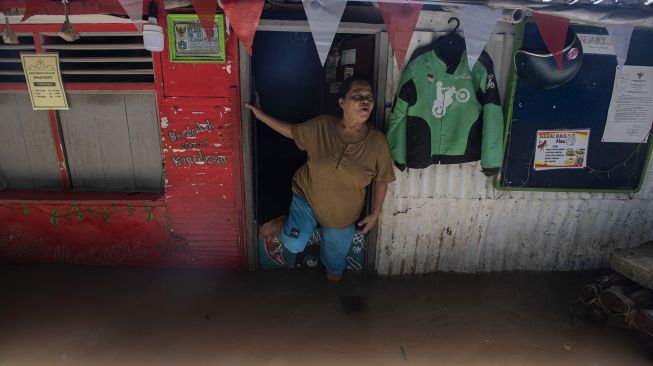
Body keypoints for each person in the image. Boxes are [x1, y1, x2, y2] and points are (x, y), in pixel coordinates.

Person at [244, 76, 396, 282]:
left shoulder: (377, 142)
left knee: (335, 273)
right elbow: (291, 131)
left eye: (369, 97)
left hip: (342, 215)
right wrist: (261, 116)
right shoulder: (322, 126)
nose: (365, 101)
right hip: (307, 197)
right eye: (357, 96)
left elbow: (382, 179)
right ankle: (286, 220)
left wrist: (376, 213)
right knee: (292, 244)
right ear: (342, 103)